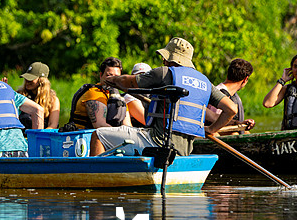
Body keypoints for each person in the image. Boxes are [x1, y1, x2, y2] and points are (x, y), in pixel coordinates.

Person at [91, 37, 238, 157]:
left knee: (98, 135)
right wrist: (212, 129)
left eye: (165, 58)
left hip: (155, 142)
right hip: (184, 151)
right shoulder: (205, 82)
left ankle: (95, 184)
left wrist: (111, 80)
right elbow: (231, 109)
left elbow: (128, 82)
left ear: (169, 58)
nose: (163, 61)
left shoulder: (164, 72)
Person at [67, 57, 130, 130]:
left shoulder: (119, 97)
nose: (113, 79)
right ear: (101, 75)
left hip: (110, 134)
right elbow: (100, 125)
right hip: (84, 137)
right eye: (109, 75)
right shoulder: (94, 93)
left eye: (116, 77)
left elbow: (127, 125)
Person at [205, 58, 256, 135]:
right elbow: (212, 121)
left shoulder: (233, 95)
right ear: (245, 79)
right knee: (234, 134)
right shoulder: (219, 94)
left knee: (246, 133)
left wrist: (240, 123)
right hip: (212, 136)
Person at [17, 61, 60, 129]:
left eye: (30, 78)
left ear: (41, 81)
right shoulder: (19, 95)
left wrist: (39, 136)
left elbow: (52, 125)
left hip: (42, 136)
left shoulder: (53, 100)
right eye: (26, 77)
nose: (27, 81)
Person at [263, 53, 297, 130]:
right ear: (291, 69)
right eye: (295, 66)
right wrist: (282, 80)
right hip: (289, 137)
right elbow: (267, 103)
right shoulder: (287, 89)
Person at [125, 62, 151, 127]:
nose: (141, 80)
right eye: (137, 76)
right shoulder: (129, 96)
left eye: (144, 76)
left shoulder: (152, 95)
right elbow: (147, 122)